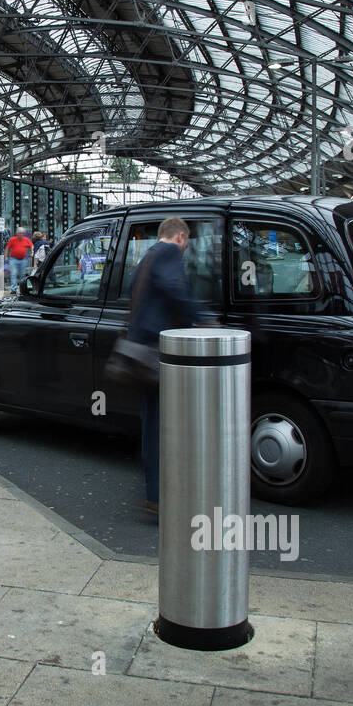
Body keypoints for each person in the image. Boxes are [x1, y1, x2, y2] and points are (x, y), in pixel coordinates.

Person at [126, 217, 200, 515]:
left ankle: (156, 491)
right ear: (180, 237)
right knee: (162, 424)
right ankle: (159, 495)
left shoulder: (146, 258)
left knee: (151, 422)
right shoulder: (169, 254)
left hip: (140, 353)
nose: (184, 250)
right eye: (186, 244)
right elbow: (175, 290)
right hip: (160, 353)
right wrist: (202, 318)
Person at [5, 228, 33, 294]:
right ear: (17, 233)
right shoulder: (12, 239)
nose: (21, 234)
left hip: (23, 259)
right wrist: (6, 256)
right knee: (13, 274)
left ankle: (21, 289)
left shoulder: (26, 240)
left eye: (22, 233)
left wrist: (32, 252)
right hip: (13, 259)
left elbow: (31, 245)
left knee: (22, 275)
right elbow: (7, 247)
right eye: (19, 233)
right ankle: (13, 289)